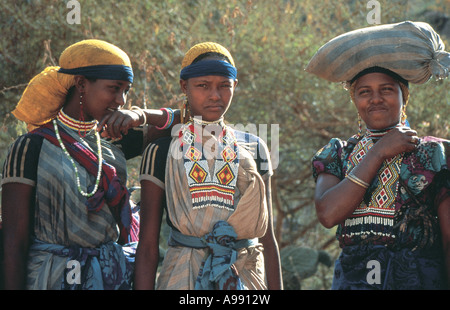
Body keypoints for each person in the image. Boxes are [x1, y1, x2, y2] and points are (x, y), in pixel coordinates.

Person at [1, 39, 176, 290]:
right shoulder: (31, 147)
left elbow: (193, 121)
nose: (121, 100)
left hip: (108, 279)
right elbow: (13, 243)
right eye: (114, 88)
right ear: (81, 83)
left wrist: (140, 115)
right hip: (48, 279)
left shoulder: (115, 141)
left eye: (126, 90)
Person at [308, 23, 450, 289]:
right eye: (365, 92)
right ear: (354, 100)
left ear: (403, 97)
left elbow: (449, 236)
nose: (376, 99)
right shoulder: (338, 153)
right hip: (353, 280)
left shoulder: (435, 154)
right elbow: (327, 214)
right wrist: (379, 151)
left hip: (418, 279)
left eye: (386, 89)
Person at [134, 42, 283, 290]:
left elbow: (267, 239)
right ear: (185, 86)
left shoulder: (254, 148)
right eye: (203, 86)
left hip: (245, 276)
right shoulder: (161, 151)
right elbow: (148, 246)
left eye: (224, 85)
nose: (215, 95)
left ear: (235, 86)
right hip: (183, 277)